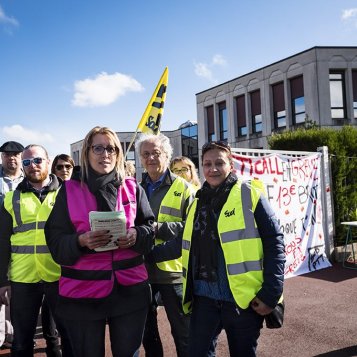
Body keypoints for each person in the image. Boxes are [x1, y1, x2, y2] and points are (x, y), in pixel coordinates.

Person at [150, 141, 286, 356]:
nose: (213, 169)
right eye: (207, 164)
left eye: (219, 163)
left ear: (231, 165)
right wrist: (144, 256)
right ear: (202, 168)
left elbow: (274, 241)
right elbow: (181, 243)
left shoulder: (248, 194)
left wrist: (271, 293)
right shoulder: (198, 202)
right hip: (204, 299)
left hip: (242, 300)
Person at [44, 126, 155, 357]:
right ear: (87, 152)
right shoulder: (69, 190)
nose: (106, 154)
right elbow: (55, 241)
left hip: (130, 290)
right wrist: (80, 241)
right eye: (98, 148)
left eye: (112, 149)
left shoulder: (134, 188)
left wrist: (137, 235)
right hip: (83, 292)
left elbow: (150, 229)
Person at [0, 144, 72, 357]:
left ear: (48, 162)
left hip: (60, 276)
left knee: (67, 337)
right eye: (27, 162)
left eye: (38, 160)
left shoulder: (67, 194)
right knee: (21, 343)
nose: (33, 166)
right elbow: (2, 241)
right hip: (22, 279)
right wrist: (2, 280)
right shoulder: (10, 199)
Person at [135, 133, 196, 357]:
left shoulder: (186, 190)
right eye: (146, 154)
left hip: (173, 272)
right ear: (140, 159)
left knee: (184, 333)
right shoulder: (134, 190)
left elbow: (193, 230)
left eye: (156, 153)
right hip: (141, 272)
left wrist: (158, 229)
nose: (151, 158)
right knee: (148, 334)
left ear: (167, 156)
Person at [0, 141, 24, 349]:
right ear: (2, 157)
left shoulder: (30, 180)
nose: (11, 158)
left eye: (15, 154)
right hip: (1, 241)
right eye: (7, 155)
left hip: (22, 244)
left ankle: (18, 334)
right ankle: (4, 336)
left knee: (18, 291)